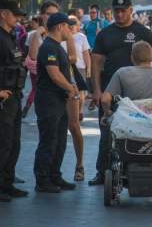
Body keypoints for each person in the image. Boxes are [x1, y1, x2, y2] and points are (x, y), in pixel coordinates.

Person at [89, 0, 152, 185]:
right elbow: (96, 63)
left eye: (124, 10)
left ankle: (134, 171)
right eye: (117, 11)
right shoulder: (105, 34)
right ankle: (102, 173)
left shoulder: (143, 32)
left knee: (136, 133)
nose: (120, 14)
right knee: (107, 134)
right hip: (111, 94)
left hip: (137, 96)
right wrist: (96, 91)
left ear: (131, 10)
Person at [0, 0, 28, 202]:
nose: (18, 18)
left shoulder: (11, 37)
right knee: (1, 143)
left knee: (13, 143)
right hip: (3, 98)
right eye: (15, 15)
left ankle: (7, 184)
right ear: (4, 14)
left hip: (14, 97)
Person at [33, 13, 78, 193]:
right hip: (48, 101)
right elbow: (54, 73)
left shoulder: (57, 46)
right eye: (68, 26)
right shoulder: (49, 47)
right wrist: (70, 88)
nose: (70, 29)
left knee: (59, 140)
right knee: (48, 140)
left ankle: (54, 175)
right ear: (60, 27)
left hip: (58, 101)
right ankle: (42, 180)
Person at [101, 40, 152, 116]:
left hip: (129, 123)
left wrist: (108, 113)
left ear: (132, 57)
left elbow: (105, 100)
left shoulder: (122, 73)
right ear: (151, 58)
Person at [22, 1, 60, 118]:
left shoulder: (62, 33)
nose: (52, 17)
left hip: (59, 82)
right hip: (41, 80)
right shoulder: (33, 34)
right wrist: (37, 34)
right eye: (49, 14)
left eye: (55, 14)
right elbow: (32, 57)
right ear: (42, 15)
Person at [66, 15, 90, 181]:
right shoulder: (48, 39)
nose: (71, 26)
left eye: (73, 23)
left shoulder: (80, 37)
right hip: (58, 87)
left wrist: (88, 72)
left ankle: (79, 165)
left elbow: (78, 57)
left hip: (76, 74)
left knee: (74, 126)